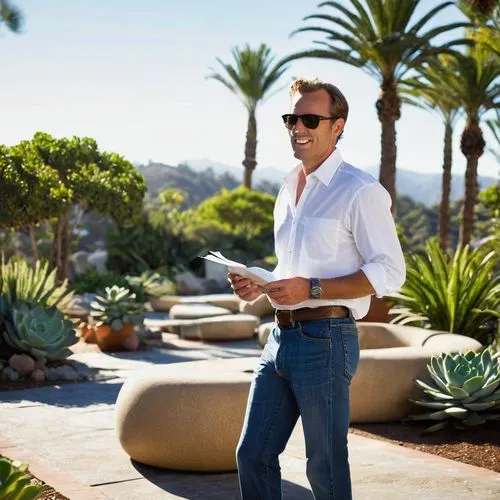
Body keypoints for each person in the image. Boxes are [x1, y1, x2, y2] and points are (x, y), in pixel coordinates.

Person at [229, 77, 405, 500]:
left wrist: (309, 288)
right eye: (292, 118)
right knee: (252, 455)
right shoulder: (288, 188)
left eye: (310, 118)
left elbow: (390, 271)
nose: (298, 128)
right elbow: (291, 269)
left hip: (326, 341)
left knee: (325, 467)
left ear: (337, 125)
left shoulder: (359, 190)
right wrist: (262, 284)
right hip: (279, 338)